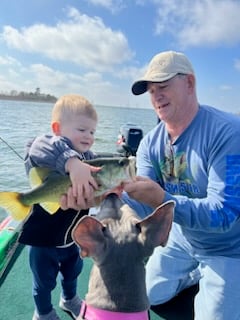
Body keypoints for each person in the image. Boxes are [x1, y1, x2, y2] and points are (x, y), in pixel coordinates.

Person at [121, 51, 240, 320]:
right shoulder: (150, 143)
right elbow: (142, 198)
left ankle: (219, 278)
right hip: (181, 238)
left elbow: (226, 214)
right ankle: (196, 274)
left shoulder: (230, 133)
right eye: (151, 91)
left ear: (190, 83)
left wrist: (162, 199)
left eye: (163, 86)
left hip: (229, 247)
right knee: (148, 295)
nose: (156, 97)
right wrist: (104, 201)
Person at [19, 94, 99, 320]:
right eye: (82, 130)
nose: (88, 137)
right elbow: (36, 145)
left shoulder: (88, 157)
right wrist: (72, 163)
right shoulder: (49, 148)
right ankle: (43, 312)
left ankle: (69, 299)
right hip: (43, 240)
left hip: (72, 237)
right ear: (57, 128)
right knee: (43, 282)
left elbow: (100, 168)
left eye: (92, 132)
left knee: (72, 273)